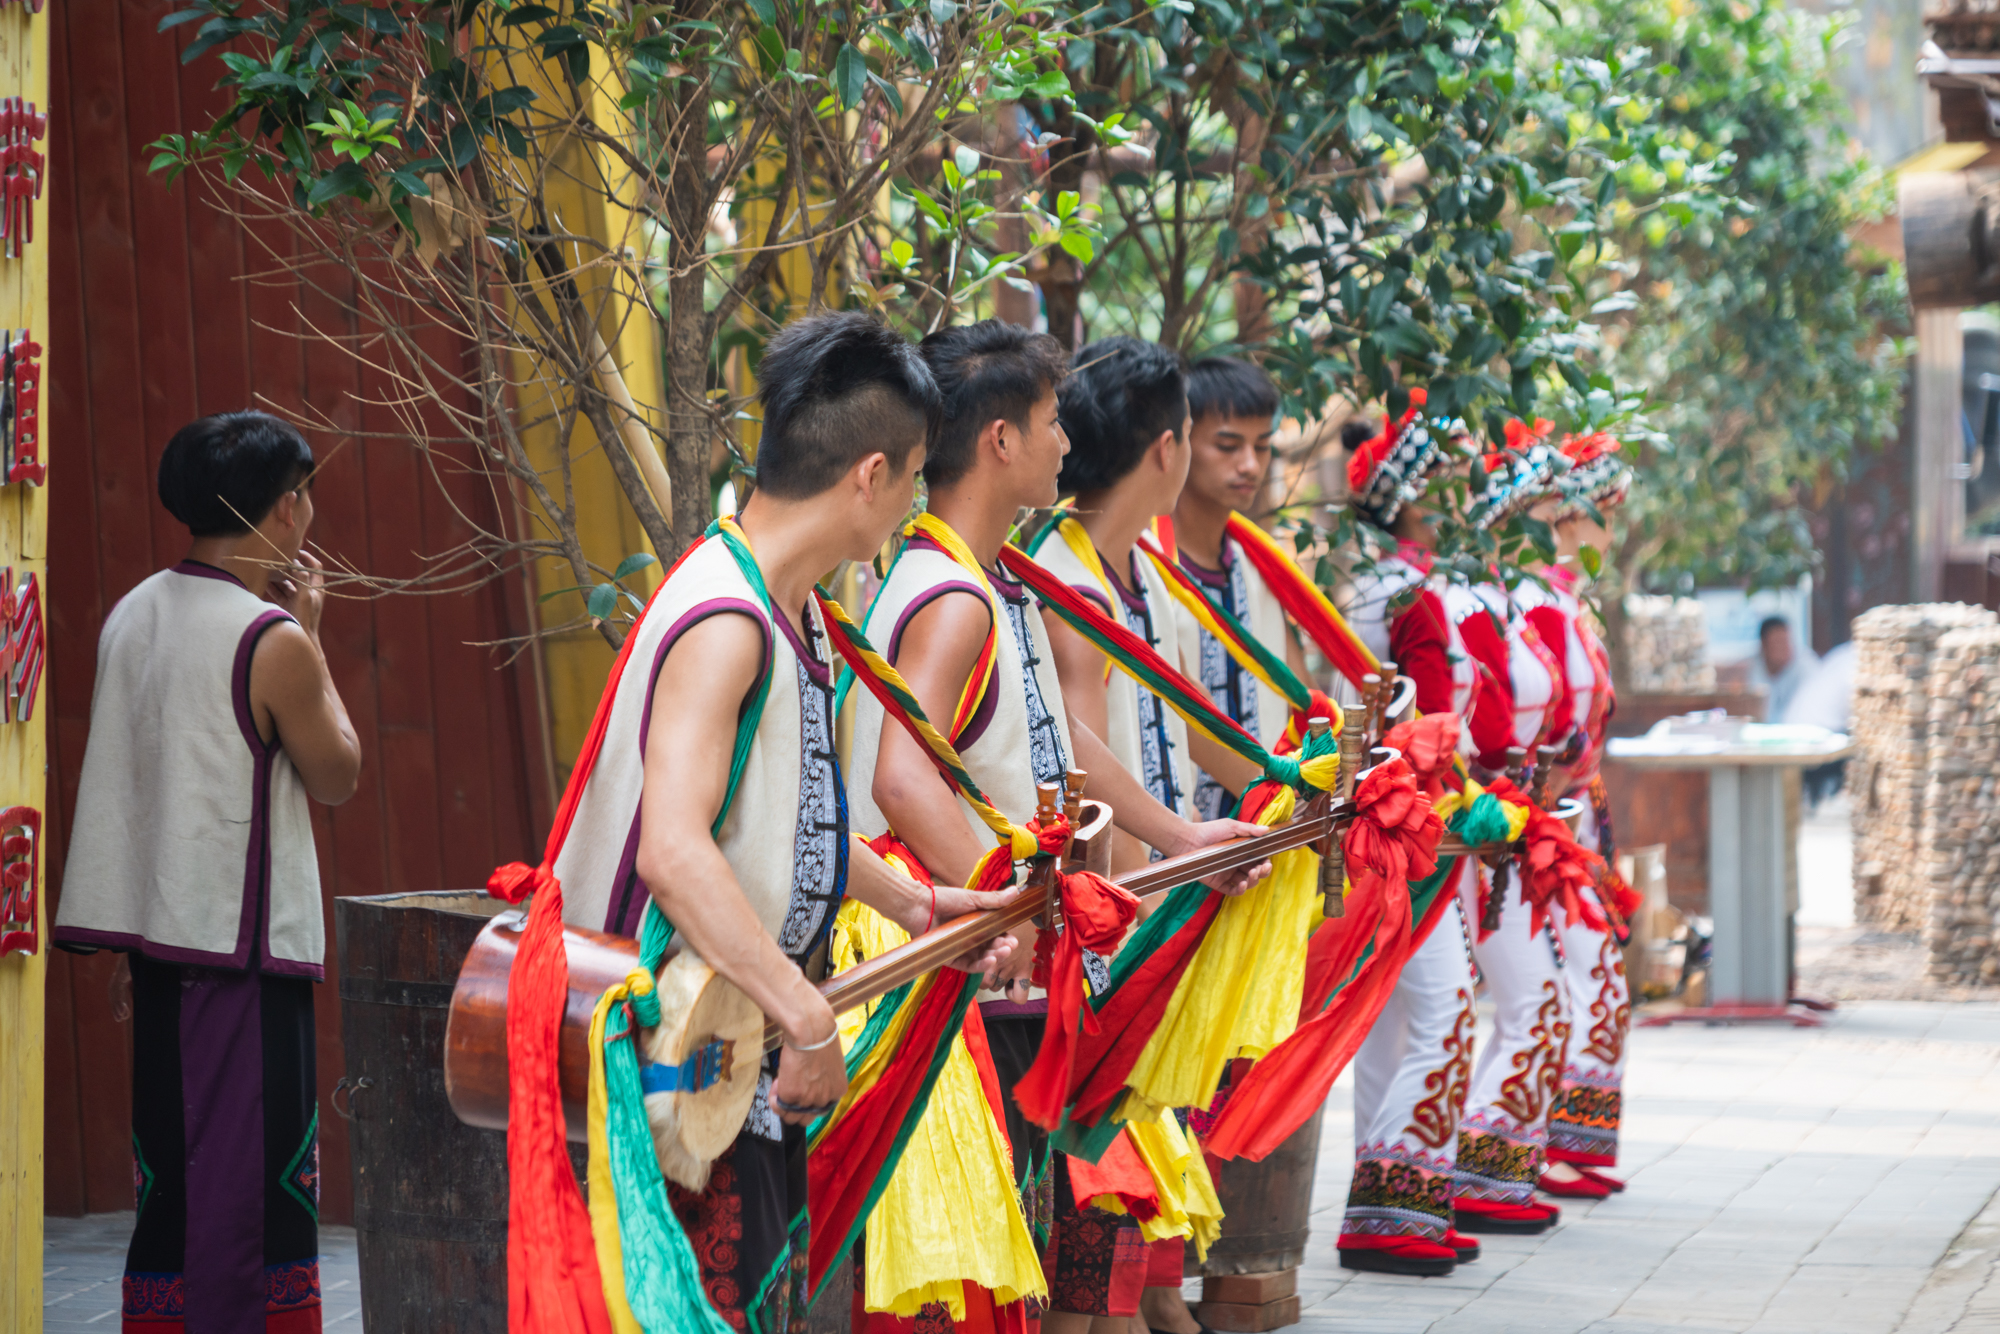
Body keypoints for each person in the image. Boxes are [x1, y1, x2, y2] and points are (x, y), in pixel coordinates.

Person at [549, 312, 1017, 1332]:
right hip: (672, 1050)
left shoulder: (786, 603)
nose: (909, 509)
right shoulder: (727, 617)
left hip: (729, 1037)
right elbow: (672, 849)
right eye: (910, 482)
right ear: (871, 473)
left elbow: (772, 821)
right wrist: (805, 1015)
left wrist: (914, 898)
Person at [845, 318, 1269, 1334]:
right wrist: (996, 906)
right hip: (942, 956)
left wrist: (1173, 835)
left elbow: (1051, 738)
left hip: (978, 946)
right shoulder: (951, 594)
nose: (1065, 444)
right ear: (997, 441)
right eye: (1044, 423)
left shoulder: (982, 577)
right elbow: (903, 783)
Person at [57, 411, 364, 1334]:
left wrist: (134, 932)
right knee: (253, 1180)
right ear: (278, 512)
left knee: (173, 1180)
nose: (308, 510)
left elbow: (144, 789)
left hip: (163, 952)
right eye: (302, 493)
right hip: (242, 961)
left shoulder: (134, 613)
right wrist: (307, 634)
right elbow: (338, 774)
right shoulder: (268, 639)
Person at [1335, 398, 1490, 1276]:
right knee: (1439, 1004)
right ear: (1413, 490)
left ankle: (1396, 1199)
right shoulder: (1400, 588)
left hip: (1397, 811)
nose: (1460, 489)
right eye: (1445, 475)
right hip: (1405, 815)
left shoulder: (1391, 579)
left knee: (1398, 1016)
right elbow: (1417, 716)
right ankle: (1392, 1198)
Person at [1519, 433, 1637, 1201]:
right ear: (1564, 517)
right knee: (1570, 977)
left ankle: (1569, 1138)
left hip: (1577, 810)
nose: (1611, 529)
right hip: (1546, 811)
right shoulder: (1535, 599)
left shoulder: (1569, 599)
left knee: (1590, 975)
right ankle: (1533, 1145)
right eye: (1603, 513)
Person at [1166, 357, 1308, 819]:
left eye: (1263, 446)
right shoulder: (1144, 569)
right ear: (1177, 442)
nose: (1250, 464)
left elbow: (1304, 701)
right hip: (1179, 855)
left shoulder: (1261, 570)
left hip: (1271, 839)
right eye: (1228, 445)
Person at [1755, 616, 1817, 723]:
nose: (1784, 648)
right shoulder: (1752, 665)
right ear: (1763, 646)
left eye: (1786, 641)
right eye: (1777, 642)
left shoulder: (1807, 666)